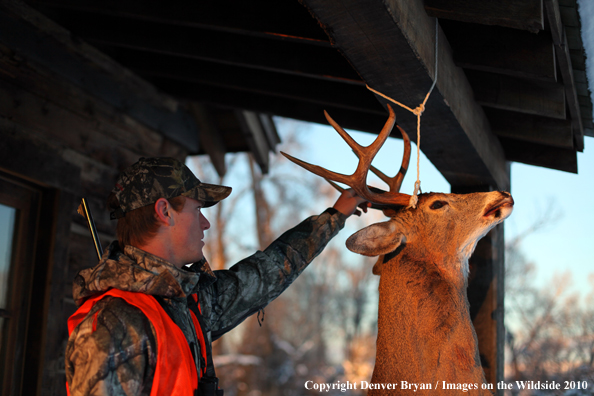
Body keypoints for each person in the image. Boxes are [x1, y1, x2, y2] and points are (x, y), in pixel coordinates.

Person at [65, 157, 367, 396]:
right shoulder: (112, 323)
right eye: (197, 210)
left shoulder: (187, 302)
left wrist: (335, 215)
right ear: (164, 211)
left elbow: (267, 272)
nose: (206, 223)